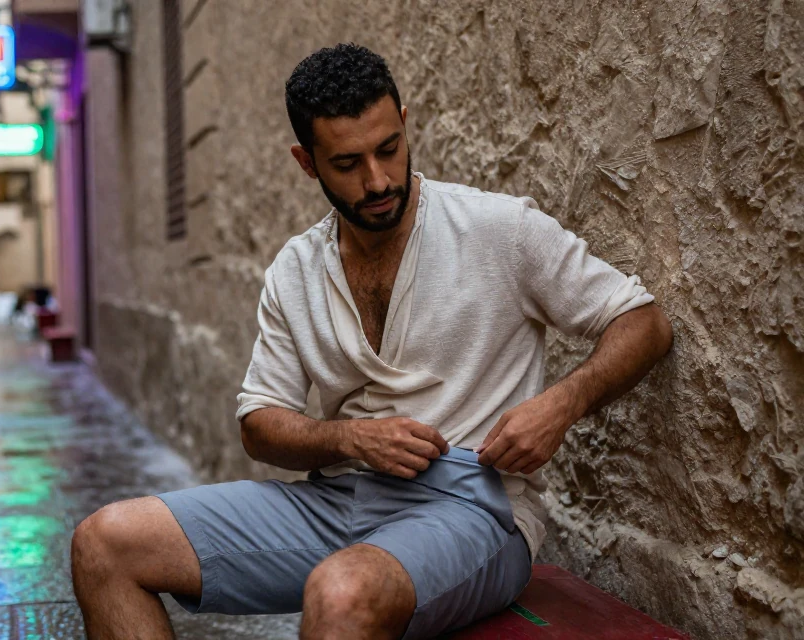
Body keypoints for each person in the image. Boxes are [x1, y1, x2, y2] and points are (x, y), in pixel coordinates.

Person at [71, 43, 675, 640]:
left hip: (472, 509)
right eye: (347, 163)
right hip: (336, 501)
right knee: (104, 544)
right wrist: (348, 438)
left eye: (389, 148)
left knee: (341, 592)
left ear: (405, 124)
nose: (378, 179)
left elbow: (644, 322)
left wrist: (561, 405)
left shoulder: (499, 229)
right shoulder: (296, 269)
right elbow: (259, 423)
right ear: (307, 162)